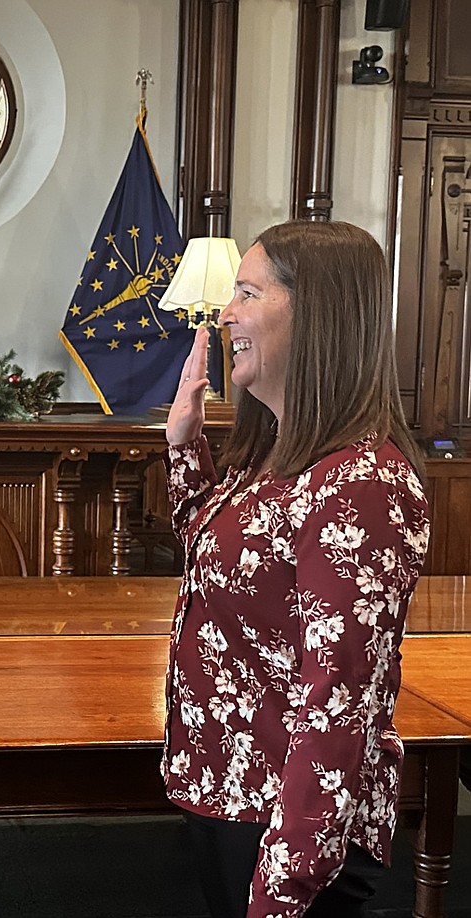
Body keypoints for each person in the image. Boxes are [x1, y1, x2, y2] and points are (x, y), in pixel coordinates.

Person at [162, 220, 431, 917]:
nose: (225, 314)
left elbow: (339, 703)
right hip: (237, 792)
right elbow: (219, 562)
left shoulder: (361, 485)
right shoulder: (276, 456)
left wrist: (286, 882)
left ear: (316, 316)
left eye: (247, 292)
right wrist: (184, 447)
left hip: (292, 824)